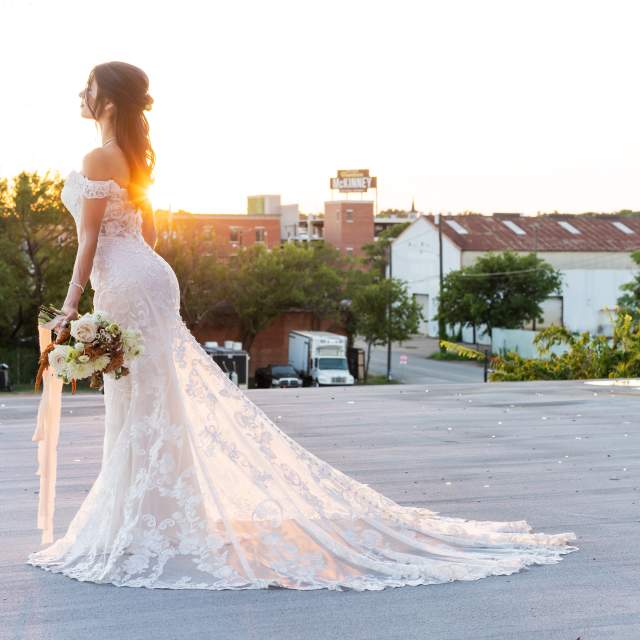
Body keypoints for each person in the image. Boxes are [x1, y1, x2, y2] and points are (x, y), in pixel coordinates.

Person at [27, 61, 579, 591]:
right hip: (143, 277)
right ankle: (153, 518)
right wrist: (124, 283)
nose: (81, 93)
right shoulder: (133, 158)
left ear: (107, 99)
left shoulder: (98, 157)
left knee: (141, 396)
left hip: (123, 281)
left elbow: (90, 241)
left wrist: (72, 307)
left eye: (89, 86)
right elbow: (146, 233)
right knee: (149, 395)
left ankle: (145, 522)